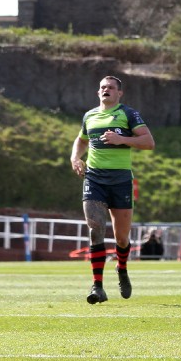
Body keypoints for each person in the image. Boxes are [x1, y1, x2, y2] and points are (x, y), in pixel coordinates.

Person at [69, 75, 155, 304]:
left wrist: (121, 139)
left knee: (122, 238)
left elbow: (148, 142)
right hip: (94, 178)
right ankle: (97, 286)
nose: (105, 90)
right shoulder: (90, 116)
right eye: (102, 87)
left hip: (120, 180)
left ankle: (122, 268)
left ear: (119, 93)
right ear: (98, 92)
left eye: (110, 87)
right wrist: (75, 158)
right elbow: (81, 139)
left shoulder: (128, 114)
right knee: (95, 227)